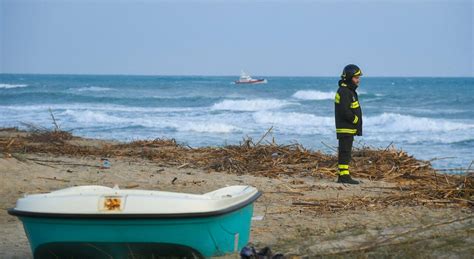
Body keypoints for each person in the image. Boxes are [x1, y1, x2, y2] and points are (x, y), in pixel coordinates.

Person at [334, 64, 363, 184]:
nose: (358, 80)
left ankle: (344, 175)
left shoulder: (348, 91)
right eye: (356, 77)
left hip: (348, 128)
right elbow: (344, 111)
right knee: (345, 152)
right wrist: (355, 120)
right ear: (350, 77)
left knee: (346, 151)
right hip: (345, 128)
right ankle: (343, 176)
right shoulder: (345, 91)